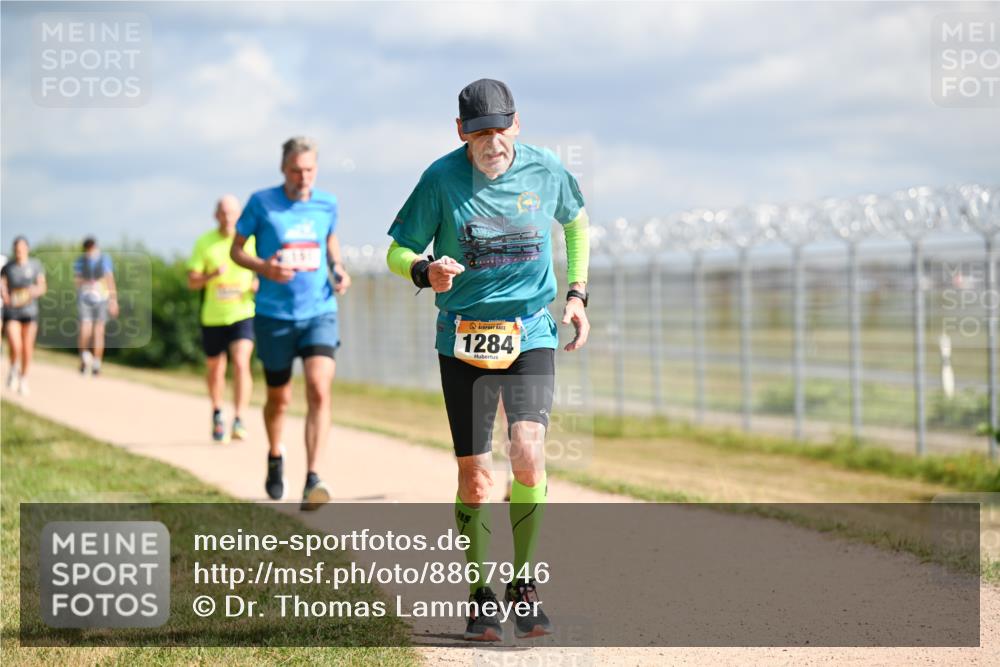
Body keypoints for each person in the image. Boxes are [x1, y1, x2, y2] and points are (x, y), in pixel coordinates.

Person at [386, 79, 591, 642]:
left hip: (529, 332)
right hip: (464, 337)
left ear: (516, 125)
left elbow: (575, 219)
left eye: (501, 130)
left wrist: (577, 293)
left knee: (526, 452)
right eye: (480, 133)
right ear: (461, 133)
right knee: (476, 478)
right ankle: (479, 593)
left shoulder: (546, 169)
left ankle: (523, 584)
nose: (492, 142)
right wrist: (423, 270)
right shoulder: (440, 178)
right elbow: (396, 248)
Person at [231, 136, 351, 510]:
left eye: (310, 170)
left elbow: (329, 238)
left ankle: (314, 477)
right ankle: (275, 453)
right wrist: (264, 267)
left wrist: (338, 268)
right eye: (297, 170)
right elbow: (236, 250)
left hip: (318, 310)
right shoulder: (261, 203)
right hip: (274, 315)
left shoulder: (326, 203)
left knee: (318, 387)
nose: (304, 177)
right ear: (283, 169)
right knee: (279, 399)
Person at [188, 196, 258, 443]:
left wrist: (259, 282)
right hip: (213, 316)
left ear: (239, 215)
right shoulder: (204, 243)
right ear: (216, 215)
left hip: (242, 313)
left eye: (232, 213)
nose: (228, 218)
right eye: (223, 213)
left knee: (241, 362)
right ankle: (218, 412)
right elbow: (192, 281)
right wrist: (210, 276)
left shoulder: (250, 241)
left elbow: (263, 270)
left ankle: (239, 417)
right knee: (216, 369)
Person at [2, 236, 47, 396]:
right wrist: (5, 295)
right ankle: (14, 368)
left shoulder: (35, 265)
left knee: (27, 348)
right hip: (12, 312)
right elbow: (3, 284)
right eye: (16, 249)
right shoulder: (8, 267)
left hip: (30, 312)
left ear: (27, 248)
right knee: (16, 344)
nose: (18, 252)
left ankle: (24, 378)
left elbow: (42, 286)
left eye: (21, 248)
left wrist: (32, 292)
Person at [73, 237, 118, 376]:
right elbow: (77, 281)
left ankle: (97, 363)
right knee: (85, 330)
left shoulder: (105, 259)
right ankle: (84, 356)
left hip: (102, 298)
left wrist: (113, 300)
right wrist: (88, 279)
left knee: (99, 331)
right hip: (85, 298)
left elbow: (110, 280)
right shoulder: (81, 261)